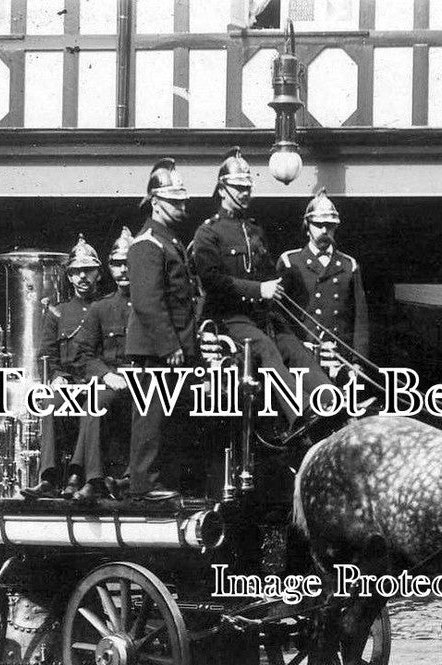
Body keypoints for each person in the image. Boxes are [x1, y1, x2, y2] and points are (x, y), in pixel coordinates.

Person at [190, 147, 332, 435]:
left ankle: (331, 404)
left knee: (295, 348)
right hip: (229, 318)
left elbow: (266, 272)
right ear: (222, 189)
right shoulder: (208, 233)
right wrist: (259, 290)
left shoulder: (254, 230)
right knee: (266, 348)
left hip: (262, 316)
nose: (245, 193)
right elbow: (212, 280)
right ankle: (301, 417)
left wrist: (276, 284)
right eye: (238, 188)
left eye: (247, 187)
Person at [125, 158, 201, 501]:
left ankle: (152, 481)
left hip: (171, 348)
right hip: (155, 350)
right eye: (174, 200)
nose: (182, 205)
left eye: (183, 199)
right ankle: (143, 483)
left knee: (164, 417)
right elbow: (147, 302)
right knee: (151, 416)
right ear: (155, 201)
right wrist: (170, 345)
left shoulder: (167, 240)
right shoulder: (147, 243)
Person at [22, 235, 105, 499]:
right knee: (50, 404)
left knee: (92, 405)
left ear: (98, 274)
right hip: (67, 381)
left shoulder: (106, 308)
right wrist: (56, 376)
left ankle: (75, 476)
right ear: (68, 277)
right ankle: (48, 479)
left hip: (96, 382)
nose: (82, 277)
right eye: (76, 272)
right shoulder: (58, 313)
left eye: (88, 271)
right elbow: (46, 354)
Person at [71, 227, 137, 502]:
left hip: (149, 382)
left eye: (128, 263)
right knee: (96, 401)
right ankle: (94, 480)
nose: (122, 270)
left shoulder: (154, 305)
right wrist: (107, 375)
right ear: (108, 268)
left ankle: (131, 479)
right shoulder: (101, 308)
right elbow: (84, 355)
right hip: (114, 382)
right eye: (117, 264)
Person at [278, 188, 369, 359]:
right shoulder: (291, 262)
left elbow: (360, 319)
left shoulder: (349, 265)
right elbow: (279, 316)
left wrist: (359, 361)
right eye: (319, 225)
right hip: (303, 356)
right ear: (307, 226)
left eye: (330, 225)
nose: (325, 231)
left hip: (340, 356)